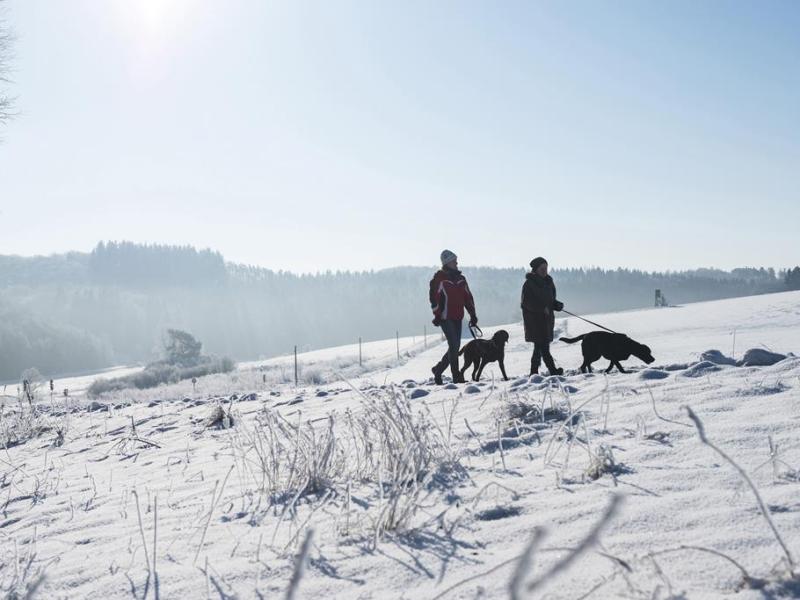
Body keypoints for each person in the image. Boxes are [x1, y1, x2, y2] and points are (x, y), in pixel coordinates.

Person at [430, 250, 478, 385]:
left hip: (458, 316)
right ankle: (456, 376)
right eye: (454, 260)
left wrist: (473, 315)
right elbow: (434, 299)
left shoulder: (461, 279)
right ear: (447, 262)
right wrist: (437, 315)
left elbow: (468, 297)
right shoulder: (439, 278)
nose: (456, 262)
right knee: (454, 345)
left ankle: (438, 369)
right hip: (445, 318)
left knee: (454, 347)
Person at [521, 257, 564, 376]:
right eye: (542, 268)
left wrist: (557, 305)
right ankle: (547, 371)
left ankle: (537, 372)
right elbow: (526, 303)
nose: (545, 270)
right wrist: (541, 308)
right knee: (541, 346)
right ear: (535, 269)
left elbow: (551, 301)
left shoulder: (549, 283)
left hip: (547, 320)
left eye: (546, 268)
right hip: (535, 321)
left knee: (542, 347)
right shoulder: (529, 284)